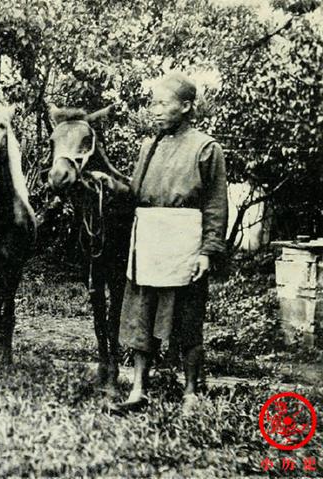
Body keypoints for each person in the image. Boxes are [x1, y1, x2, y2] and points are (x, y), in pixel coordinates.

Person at [115, 71, 228, 414]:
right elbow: (133, 194)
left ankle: (191, 394)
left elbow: (215, 205)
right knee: (140, 315)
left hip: (185, 242)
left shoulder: (206, 148)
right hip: (149, 241)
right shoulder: (149, 147)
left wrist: (208, 251)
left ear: (186, 106)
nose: (155, 110)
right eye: (153, 103)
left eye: (163, 103)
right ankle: (138, 389)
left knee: (187, 319)